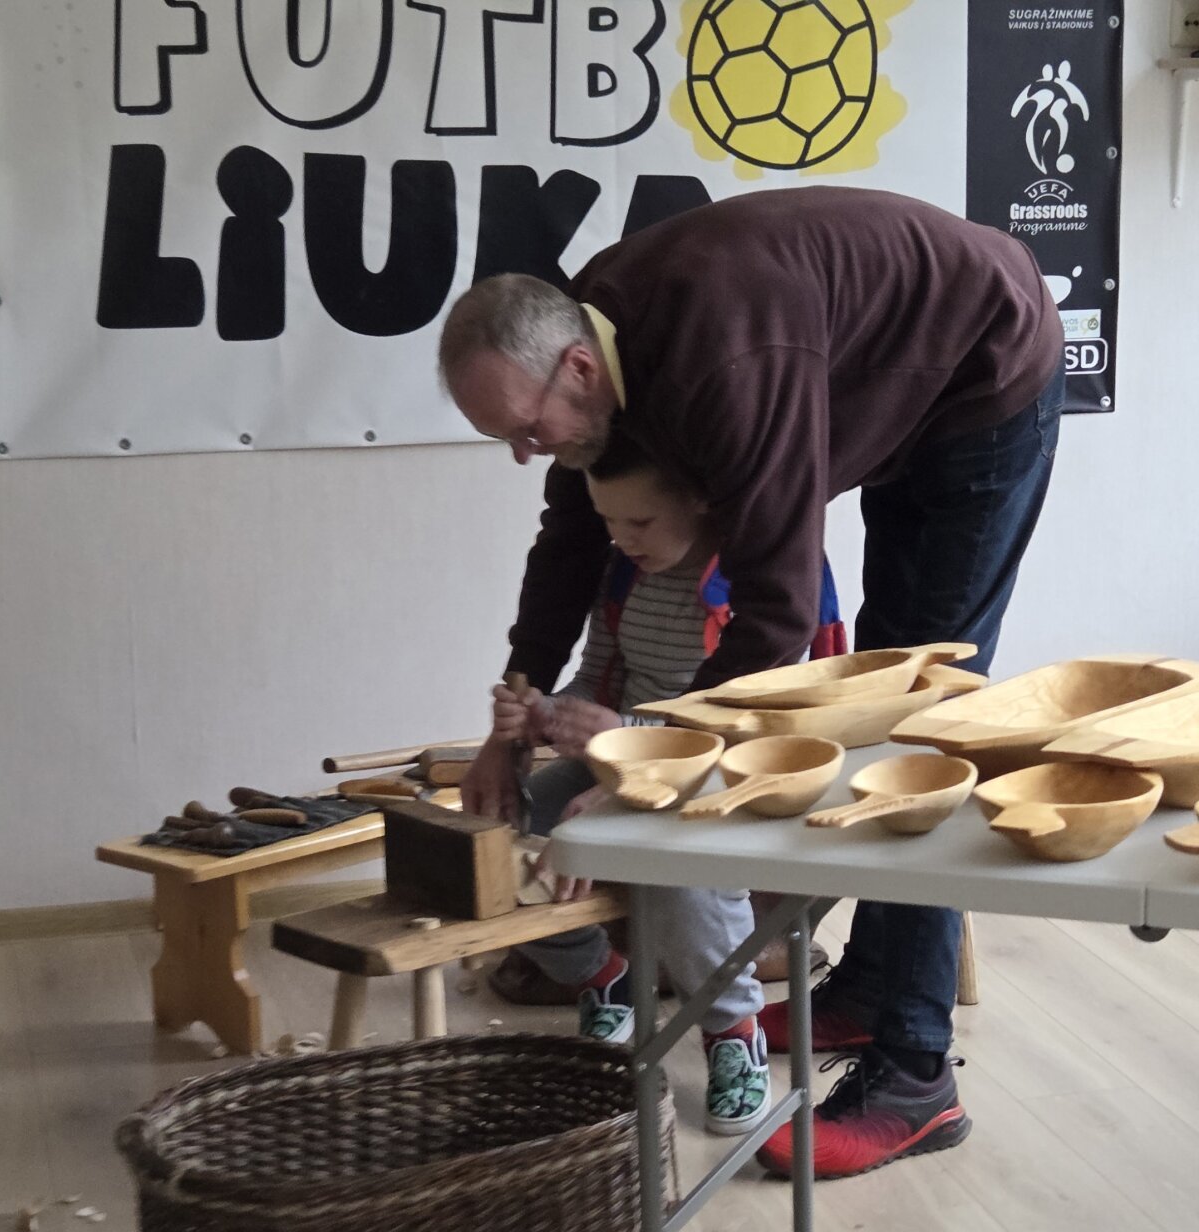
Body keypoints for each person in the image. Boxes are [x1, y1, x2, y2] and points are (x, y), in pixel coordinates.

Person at [440, 186, 1066, 1181]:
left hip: (986, 370)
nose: (526, 454)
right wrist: (509, 720)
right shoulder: (589, 345)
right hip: (903, 376)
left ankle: (916, 1075)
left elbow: (775, 609)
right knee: (891, 691)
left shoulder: (725, 365)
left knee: (924, 723)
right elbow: (567, 545)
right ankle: (866, 992)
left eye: (526, 430)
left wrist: (654, 763)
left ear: (579, 369)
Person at [489, 431, 773, 1136]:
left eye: (639, 520)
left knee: (676, 870)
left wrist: (623, 734)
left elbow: (744, 726)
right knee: (498, 840)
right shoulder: (626, 572)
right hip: (622, 757)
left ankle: (734, 1030)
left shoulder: (749, 583)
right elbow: (599, 676)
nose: (622, 538)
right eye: (607, 520)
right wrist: (546, 712)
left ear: (698, 501)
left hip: (716, 772)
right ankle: (601, 976)